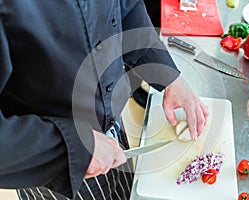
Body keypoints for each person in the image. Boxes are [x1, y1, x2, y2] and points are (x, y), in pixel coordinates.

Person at [0, 0, 209, 200]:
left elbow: (127, 8)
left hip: (113, 127)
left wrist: (167, 74)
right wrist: (72, 149)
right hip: (62, 166)